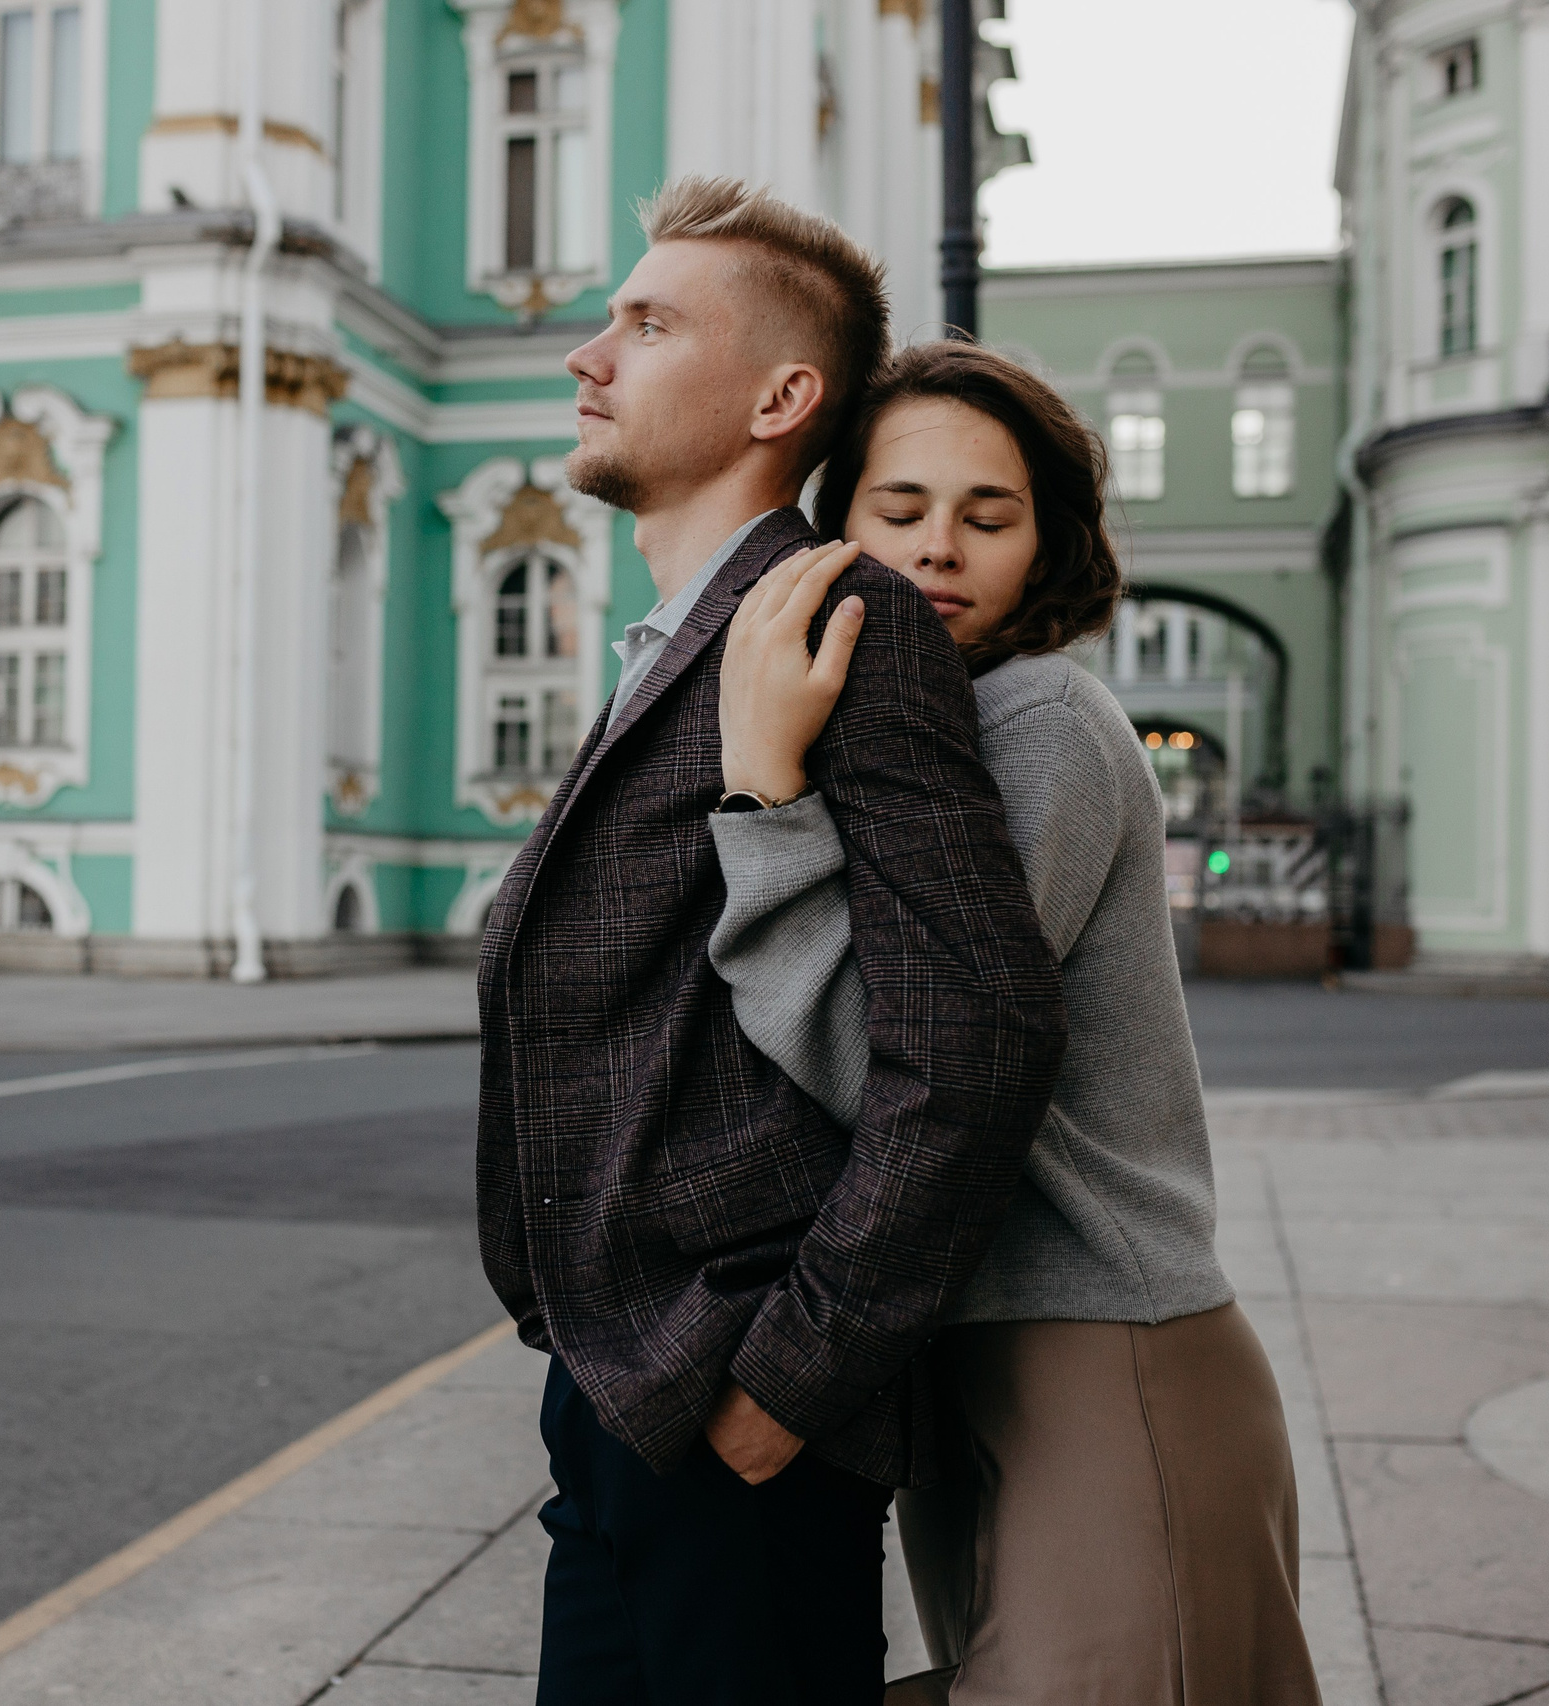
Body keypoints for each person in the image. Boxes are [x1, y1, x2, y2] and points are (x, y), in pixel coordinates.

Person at [475, 178, 1068, 1706]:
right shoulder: (681, 637)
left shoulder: (841, 621)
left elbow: (978, 1037)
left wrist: (790, 1382)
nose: (586, 357)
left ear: (782, 396)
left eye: (649, 322)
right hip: (617, 1392)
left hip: (733, 1404)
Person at [709, 340, 1320, 1704]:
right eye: (901, 508)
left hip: (1105, 1346)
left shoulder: (1034, 717)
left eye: (989, 517)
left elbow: (895, 1053)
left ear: (1045, 549)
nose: (939, 549)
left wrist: (762, 798)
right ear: (837, 523)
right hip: (983, 1346)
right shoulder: (909, 720)